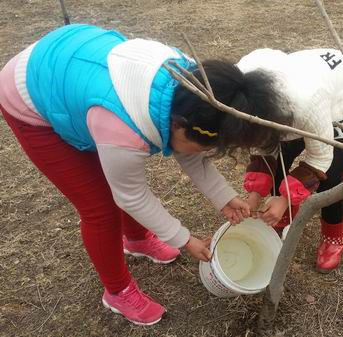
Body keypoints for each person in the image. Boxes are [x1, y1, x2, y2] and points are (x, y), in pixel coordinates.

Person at [0, 24, 289, 325]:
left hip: (76, 67)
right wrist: (184, 239)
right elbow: (131, 195)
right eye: (199, 146)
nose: (196, 153)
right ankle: (117, 292)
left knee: (120, 174)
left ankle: (136, 239)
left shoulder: (197, 91)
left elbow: (193, 156)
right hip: (30, 92)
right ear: (177, 124)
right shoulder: (121, 128)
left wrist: (225, 198)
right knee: (101, 207)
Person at [237, 48, 343, 273]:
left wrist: (284, 199)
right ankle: (286, 211)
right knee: (281, 157)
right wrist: (255, 195)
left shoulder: (306, 104)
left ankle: (333, 236)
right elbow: (263, 144)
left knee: (332, 176)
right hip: (307, 92)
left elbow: (320, 157)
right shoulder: (243, 82)